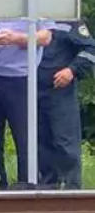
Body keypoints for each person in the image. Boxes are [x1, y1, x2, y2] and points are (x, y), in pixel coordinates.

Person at [0, 0, 53, 190]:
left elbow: (46, 36)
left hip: (21, 76)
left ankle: (27, 185)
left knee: (24, 136)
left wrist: (17, 38)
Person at [38, 20, 95, 188]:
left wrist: (72, 70)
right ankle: (46, 193)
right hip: (29, 92)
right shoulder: (27, 17)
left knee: (65, 145)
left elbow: (90, 49)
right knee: (39, 145)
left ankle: (72, 194)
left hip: (60, 92)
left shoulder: (67, 18)